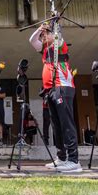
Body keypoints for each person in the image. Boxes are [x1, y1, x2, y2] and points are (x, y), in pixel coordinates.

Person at [29, 23, 81, 173]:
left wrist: (54, 24)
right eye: (43, 35)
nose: (43, 36)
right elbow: (32, 40)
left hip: (62, 87)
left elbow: (58, 36)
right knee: (57, 126)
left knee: (66, 124)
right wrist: (40, 29)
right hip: (51, 90)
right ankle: (62, 157)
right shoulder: (45, 50)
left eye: (46, 34)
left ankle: (74, 160)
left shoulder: (60, 46)